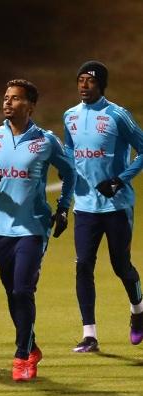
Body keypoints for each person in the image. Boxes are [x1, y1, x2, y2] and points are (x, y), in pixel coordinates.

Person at [0, 79, 76, 381]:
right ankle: (31, 346)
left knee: (22, 290)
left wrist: (63, 207)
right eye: (6, 97)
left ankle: (22, 357)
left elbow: (69, 173)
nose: (8, 103)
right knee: (11, 292)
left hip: (32, 227)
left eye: (15, 98)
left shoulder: (45, 141)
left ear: (30, 106)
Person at [64, 61, 143, 352]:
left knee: (120, 265)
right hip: (84, 206)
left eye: (90, 81)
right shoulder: (70, 115)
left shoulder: (117, 115)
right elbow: (70, 147)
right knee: (83, 265)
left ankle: (138, 312)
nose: (84, 85)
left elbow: (142, 149)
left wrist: (120, 180)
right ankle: (90, 335)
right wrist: (68, 167)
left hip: (116, 205)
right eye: (80, 80)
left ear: (101, 85)